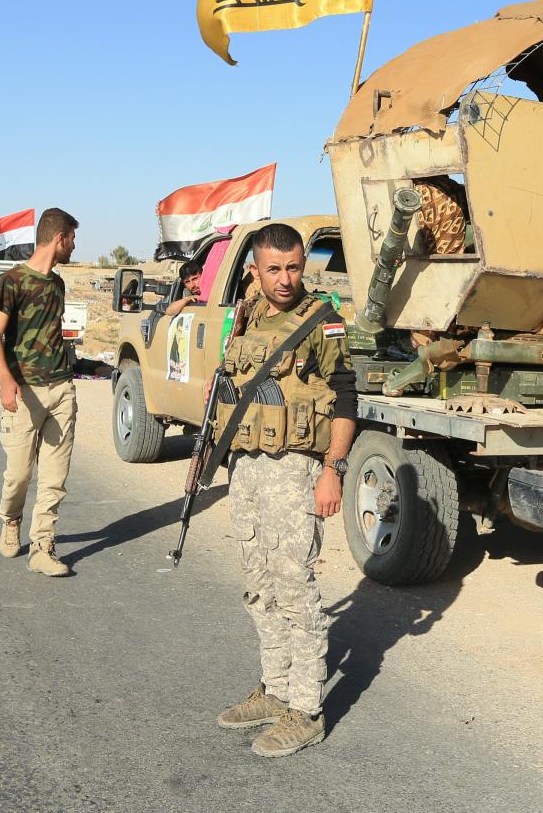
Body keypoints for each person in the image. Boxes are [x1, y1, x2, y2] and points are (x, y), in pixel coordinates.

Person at [213, 222, 356, 758]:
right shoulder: (248, 314)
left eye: (294, 266)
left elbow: (346, 397)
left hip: (296, 469)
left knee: (296, 586)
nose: (286, 278)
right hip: (247, 468)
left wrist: (333, 469)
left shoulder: (323, 320)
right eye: (274, 268)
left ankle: (305, 708)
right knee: (258, 580)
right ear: (255, 269)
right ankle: (274, 689)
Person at [0, 208, 80, 577]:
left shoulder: (58, 284)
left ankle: (43, 547)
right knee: (19, 475)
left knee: (55, 477)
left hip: (61, 390)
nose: (74, 245)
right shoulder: (13, 281)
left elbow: (50, 333)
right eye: (72, 238)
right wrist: (5, 382)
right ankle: (11, 519)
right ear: (59, 238)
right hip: (25, 394)